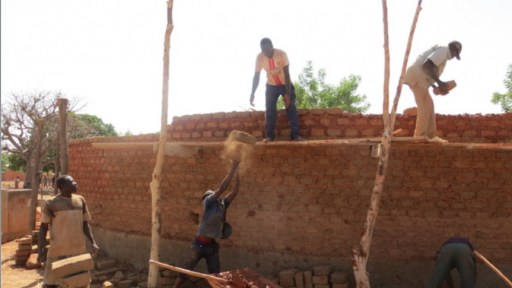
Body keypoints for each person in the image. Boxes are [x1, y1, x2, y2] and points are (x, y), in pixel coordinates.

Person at [173, 157, 241, 288]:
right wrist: (233, 168)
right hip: (198, 245)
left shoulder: (222, 205)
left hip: (212, 247)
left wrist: (237, 172)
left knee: (216, 275)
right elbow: (222, 187)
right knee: (186, 269)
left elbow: (235, 192)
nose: (214, 195)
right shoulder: (208, 203)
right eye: (211, 194)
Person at [37, 175, 99, 288]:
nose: (76, 184)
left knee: (80, 282)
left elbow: (85, 223)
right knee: (51, 283)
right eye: (72, 182)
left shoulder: (80, 200)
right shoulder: (51, 203)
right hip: (58, 251)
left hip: (78, 250)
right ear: (63, 186)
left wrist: (93, 242)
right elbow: (43, 227)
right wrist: (40, 249)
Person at [404, 41, 462, 143]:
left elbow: (428, 70)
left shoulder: (443, 53)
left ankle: (431, 136)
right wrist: (440, 83)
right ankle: (419, 137)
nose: (453, 57)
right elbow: (427, 64)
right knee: (425, 106)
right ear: (454, 50)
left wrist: (436, 86)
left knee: (429, 105)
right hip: (417, 75)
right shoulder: (444, 50)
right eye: (455, 55)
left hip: (420, 76)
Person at [250, 38, 305, 142]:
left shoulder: (281, 54)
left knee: (291, 108)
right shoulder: (260, 57)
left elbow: (287, 74)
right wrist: (252, 94)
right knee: (270, 110)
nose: (265, 53)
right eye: (263, 50)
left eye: (267, 49)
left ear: (272, 47)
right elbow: (256, 76)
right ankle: (270, 136)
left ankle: (295, 136)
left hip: (285, 84)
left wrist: (288, 94)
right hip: (271, 86)